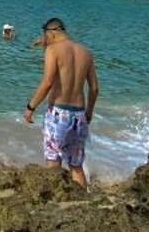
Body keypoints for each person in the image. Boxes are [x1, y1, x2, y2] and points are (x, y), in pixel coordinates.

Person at [23, 17, 98, 187]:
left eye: (45, 36)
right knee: (76, 166)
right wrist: (89, 114)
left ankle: (55, 204)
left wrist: (30, 107)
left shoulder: (53, 50)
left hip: (59, 114)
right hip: (79, 115)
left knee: (53, 163)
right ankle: (83, 202)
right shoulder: (86, 52)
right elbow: (94, 89)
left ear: (52, 32)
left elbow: (48, 82)